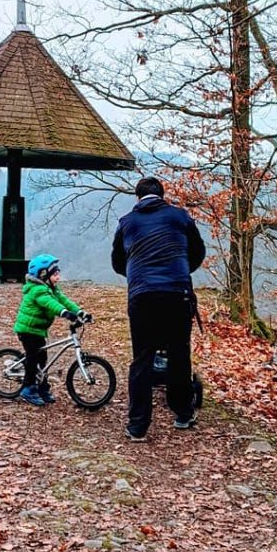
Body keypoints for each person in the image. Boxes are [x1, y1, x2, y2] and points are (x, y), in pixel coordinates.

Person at [112, 177, 206, 440]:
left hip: (142, 296)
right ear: (162, 195)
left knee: (142, 357)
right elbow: (198, 251)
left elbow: (117, 262)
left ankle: (137, 426)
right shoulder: (180, 217)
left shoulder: (127, 222)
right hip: (177, 293)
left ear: (137, 198)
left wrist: (137, 275)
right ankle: (183, 413)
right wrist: (180, 268)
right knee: (178, 352)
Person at [13, 253, 84, 407]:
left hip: (38, 330)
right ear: (44, 275)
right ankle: (28, 389)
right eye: (55, 274)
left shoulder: (51, 288)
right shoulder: (38, 290)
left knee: (43, 360)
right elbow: (50, 303)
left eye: (58, 273)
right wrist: (63, 312)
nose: (58, 277)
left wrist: (80, 312)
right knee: (33, 358)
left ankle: (42, 388)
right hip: (28, 329)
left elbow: (64, 300)